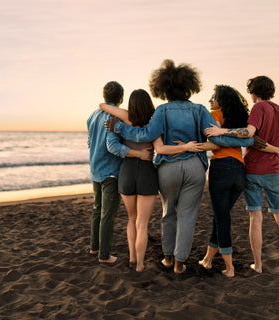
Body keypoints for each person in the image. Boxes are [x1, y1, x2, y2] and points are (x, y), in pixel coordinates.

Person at [105, 59, 259, 274]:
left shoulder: (162, 110)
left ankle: (167, 259)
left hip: (168, 168)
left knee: (169, 213)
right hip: (195, 167)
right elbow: (217, 137)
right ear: (189, 87)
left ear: (164, 88)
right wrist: (240, 140)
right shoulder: (199, 110)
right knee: (187, 216)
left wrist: (119, 127)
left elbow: (147, 135)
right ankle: (179, 263)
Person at [204, 76, 279, 273]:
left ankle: (257, 265)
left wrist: (221, 131)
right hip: (275, 171)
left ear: (253, 92)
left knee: (255, 218)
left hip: (254, 170)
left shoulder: (258, 108)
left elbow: (248, 134)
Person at [99, 89, 201, 272]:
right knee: (142, 223)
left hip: (127, 171)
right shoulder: (153, 122)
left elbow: (102, 105)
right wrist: (186, 147)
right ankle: (139, 264)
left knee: (131, 219)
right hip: (146, 172)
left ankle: (131, 257)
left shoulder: (124, 118)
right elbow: (161, 149)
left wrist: (113, 109)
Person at [87, 81, 152, 264]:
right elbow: (112, 146)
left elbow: (90, 142)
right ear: (122, 98)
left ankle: (94, 247)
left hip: (95, 168)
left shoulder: (93, 115)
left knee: (97, 210)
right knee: (108, 213)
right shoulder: (114, 117)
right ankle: (104, 255)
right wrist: (139, 153)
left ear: (104, 96)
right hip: (111, 171)